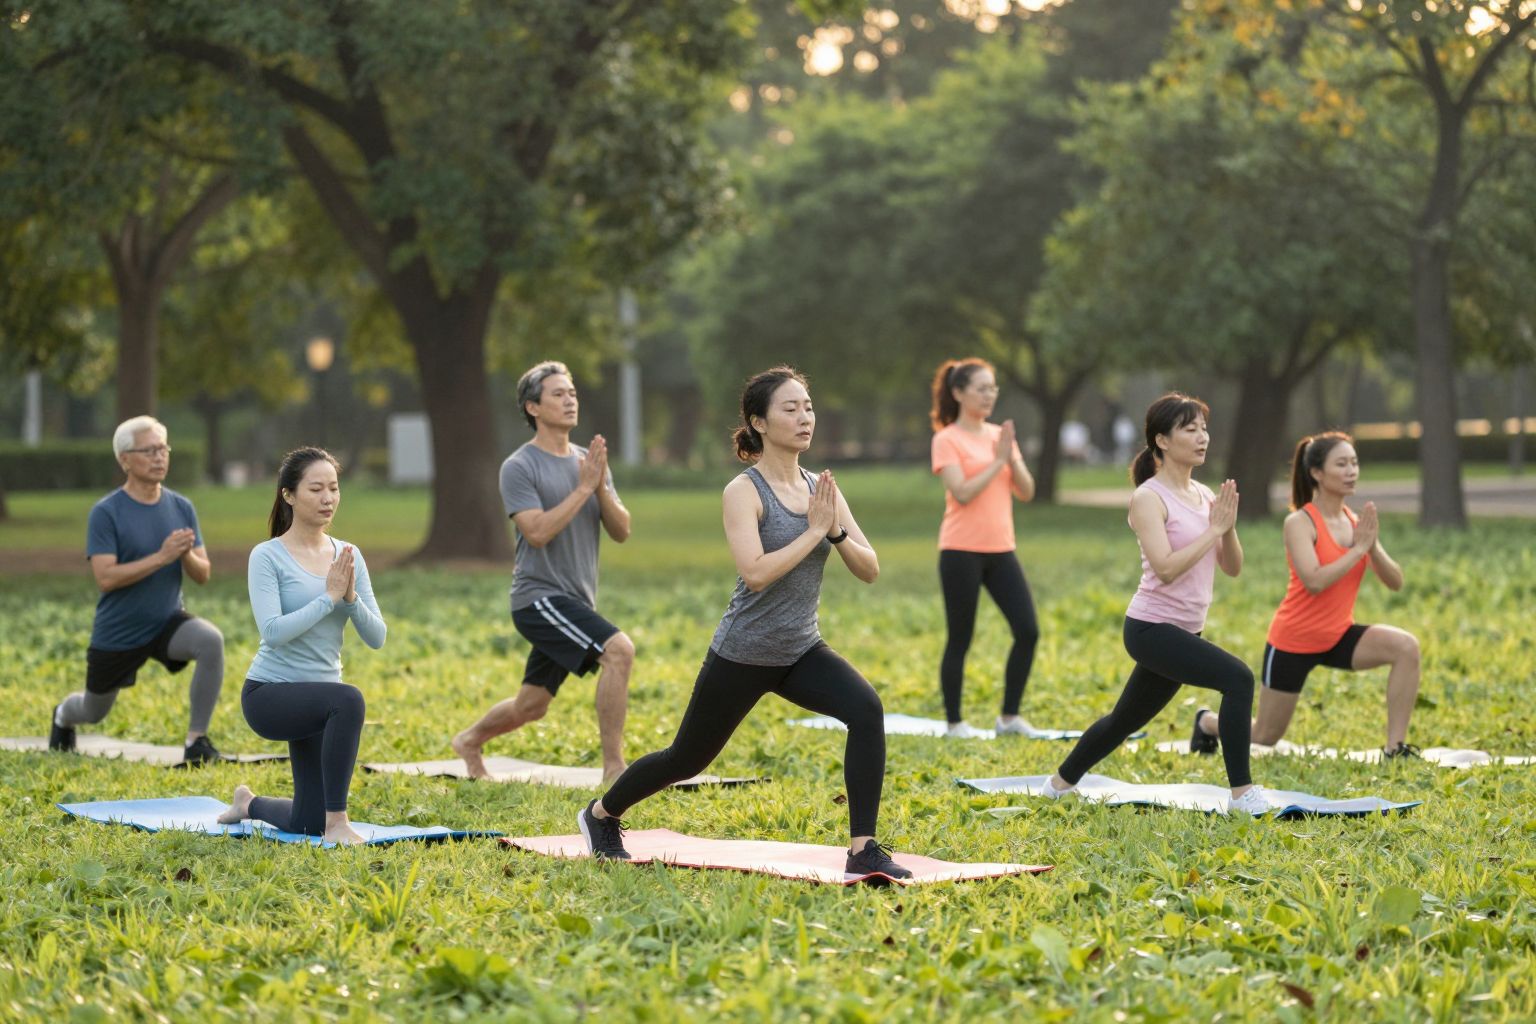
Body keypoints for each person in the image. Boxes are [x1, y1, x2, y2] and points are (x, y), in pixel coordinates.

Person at [577, 366, 910, 877]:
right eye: (790, 409)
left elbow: (870, 569)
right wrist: (813, 532)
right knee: (686, 759)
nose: (805, 418)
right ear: (758, 421)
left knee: (866, 710)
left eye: (809, 407)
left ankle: (862, 847)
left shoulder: (820, 488)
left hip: (800, 650)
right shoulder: (743, 491)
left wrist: (836, 532)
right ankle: (601, 815)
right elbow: (755, 573)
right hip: (744, 651)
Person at [1043, 393, 1269, 814]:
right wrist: (1211, 531)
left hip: (1185, 630)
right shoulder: (1149, 498)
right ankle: (1243, 795)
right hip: (1151, 629)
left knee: (1123, 722)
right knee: (1238, 679)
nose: (1203, 437)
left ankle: (1056, 786)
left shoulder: (1203, 494)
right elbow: (1165, 568)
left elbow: (1232, 567)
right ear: (1162, 441)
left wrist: (1227, 529)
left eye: (1204, 428)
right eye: (1190, 429)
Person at [452, 361, 635, 782]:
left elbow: (622, 530)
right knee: (619, 651)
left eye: (572, 392)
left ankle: (470, 741)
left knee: (531, 706)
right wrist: (584, 489)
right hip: (539, 599)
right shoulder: (519, 466)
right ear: (533, 407)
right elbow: (535, 532)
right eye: (558, 394)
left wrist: (599, 485)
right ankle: (614, 769)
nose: (570, 399)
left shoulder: (589, 461)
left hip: (575, 599)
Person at [1189, 432, 1420, 758]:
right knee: (1264, 736)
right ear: (1317, 473)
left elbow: (1395, 582)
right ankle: (1207, 722)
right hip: (1293, 641)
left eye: (1354, 463)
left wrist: (1371, 546)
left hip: (1337, 635)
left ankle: (1396, 748)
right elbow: (1313, 580)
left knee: (1406, 647)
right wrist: (1358, 552)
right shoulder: (1299, 522)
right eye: (1341, 464)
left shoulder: (1356, 523)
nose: (1351, 470)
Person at [217, 448, 386, 845]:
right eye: (316, 488)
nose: (328, 498)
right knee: (350, 700)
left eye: (334, 488)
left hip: (319, 701)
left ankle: (249, 804)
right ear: (289, 495)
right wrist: (327, 598)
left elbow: (377, 637)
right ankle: (338, 823)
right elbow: (273, 631)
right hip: (269, 696)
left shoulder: (348, 555)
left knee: (305, 820)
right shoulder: (267, 556)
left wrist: (349, 599)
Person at [50, 416, 226, 764]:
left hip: (166, 621)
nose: (160, 457)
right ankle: (62, 715)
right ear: (125, 459)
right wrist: (162, 557)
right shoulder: (106, 512)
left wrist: (185, 553)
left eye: (163, 448)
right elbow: (106, 577)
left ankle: (196, 743)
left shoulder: (181, 507)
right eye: (149, 450)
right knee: (93, 709)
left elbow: (203, 574)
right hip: (119, 630)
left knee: (210, 640)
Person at [927, 358, 1040, 738]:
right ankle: (954, 723)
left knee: (1028, 630)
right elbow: (961, 492)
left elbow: (1026, 491)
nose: (989, 395)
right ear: (958, 393)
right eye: (981, 388)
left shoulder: (999, 436)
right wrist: (998, 461)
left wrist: (1010, 456)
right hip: (960, 550)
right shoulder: (947, 439)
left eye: (993, 388)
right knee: (961, 637)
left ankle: (1009, 718)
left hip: (1001, 549)